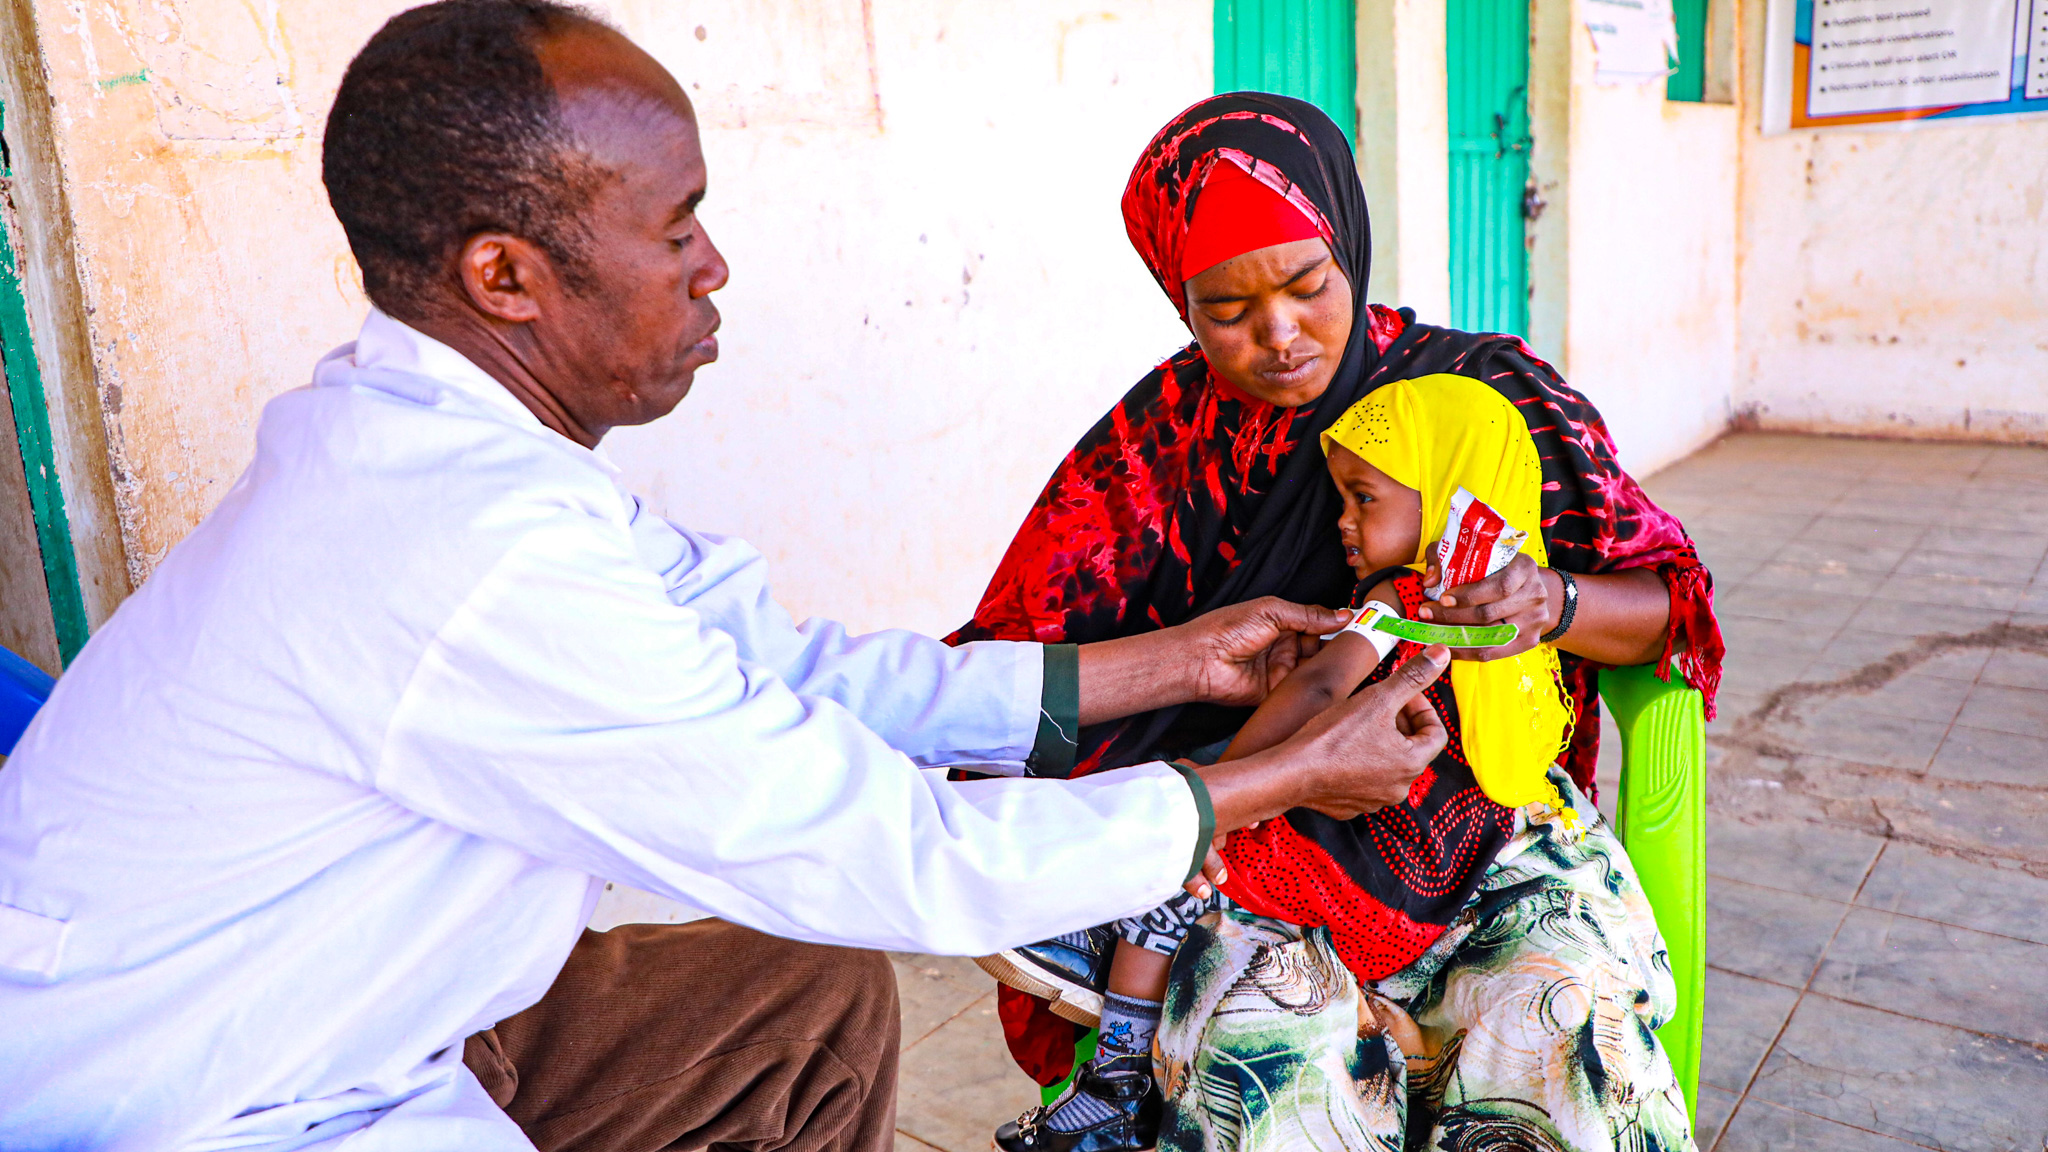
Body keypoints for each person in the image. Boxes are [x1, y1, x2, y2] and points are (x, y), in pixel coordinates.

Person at [0, 11, 1458, 1152]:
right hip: (202, 1092)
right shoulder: (465, 554)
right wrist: (1277, 778)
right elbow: (890, 854)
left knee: (796, 996)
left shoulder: (466, 460)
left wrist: (1186, 663)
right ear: (509, 278)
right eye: (676, 225)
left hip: (348, 994)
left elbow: (791, 670)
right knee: (834, 923)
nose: (716, 268)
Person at [958, 94, 1724, 1151]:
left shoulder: (1484, 402)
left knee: (1556, 1011)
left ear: (1346, 245)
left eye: (1307, 283)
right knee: (1270, 1043)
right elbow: (1017, 658)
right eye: (1225, 310)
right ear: (1178, 305)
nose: (1278, 335)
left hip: (1491, 832)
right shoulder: (1156, 446)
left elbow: (1667, 615)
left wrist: (1554, 603)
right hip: (1252, 831)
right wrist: (1203, 800)